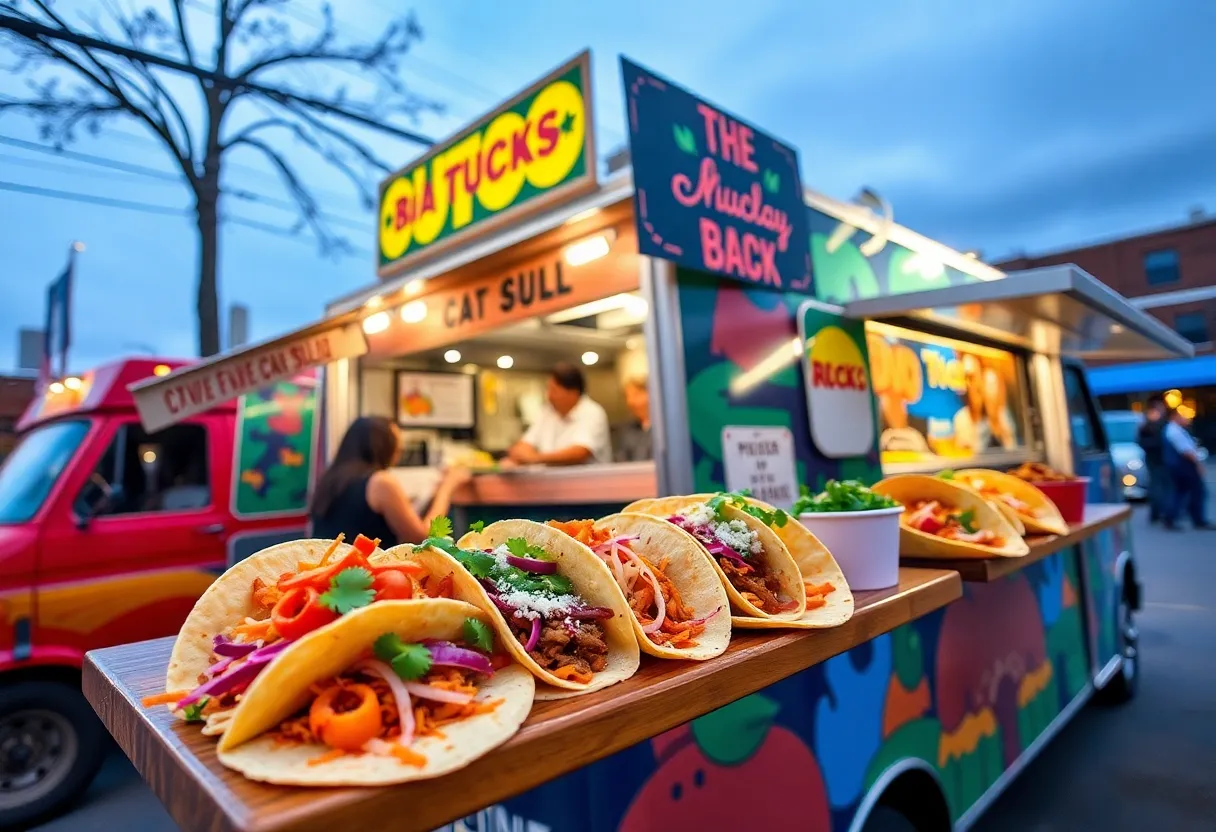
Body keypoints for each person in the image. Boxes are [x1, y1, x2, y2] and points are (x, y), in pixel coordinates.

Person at [311, 416, 470, 547]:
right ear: (382, 447)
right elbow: (421, 538)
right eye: (397, 447)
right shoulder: (381, 482)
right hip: (368, 572)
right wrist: (447, 487)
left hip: (330, 569)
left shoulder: (330, 478)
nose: (399, 453)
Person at [507, 362, 611, 465]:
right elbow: (525, 444)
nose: (549, 396)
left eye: (554, 390)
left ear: (573, 392)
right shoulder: (547, 411)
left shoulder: (592, 412)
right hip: (549, 475)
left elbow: (581, 452)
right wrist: (522, 455)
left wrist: (535, 458)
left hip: (586, 476)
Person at [1162, 407, 1211, 531]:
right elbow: (1186, 451)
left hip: (1178, 466)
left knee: (1180, 492)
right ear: (1174, 416)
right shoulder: (1175, 431)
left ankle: (1171, 518)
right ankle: (1197, 519)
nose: (1185, 418)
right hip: (1184, 466)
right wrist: (1198, 465)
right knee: (1195, 492)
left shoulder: (1173, 430)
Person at [1137, 395, 1172, 524]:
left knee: (1160, 485)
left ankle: (1159, 512)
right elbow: (1142, 441)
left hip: (1160, 458)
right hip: (1156, 459)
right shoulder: (1150, 425)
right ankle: (1159, 512)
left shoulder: (1162, 423)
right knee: (1158, 486)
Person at [615, 373, 653, 462]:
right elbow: (620, 459)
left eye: (636, 395)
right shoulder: (627, 430)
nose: (630, 402)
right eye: (627, 397)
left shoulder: (664, 429)